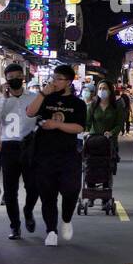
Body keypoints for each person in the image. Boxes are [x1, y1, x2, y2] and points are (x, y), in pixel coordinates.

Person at [26, 64, 87, 246]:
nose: (54, 82)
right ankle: (50, 230)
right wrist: (43, 93)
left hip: (68, 154)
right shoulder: (46, 98)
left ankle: (66, 219)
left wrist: (58, 125)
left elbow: (79, 127)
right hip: (44, 154)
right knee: (48, 195)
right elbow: (30, 112)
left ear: (68, 81)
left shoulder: (78, 104)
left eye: (58, 79)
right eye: (53, 78)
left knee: (71, 190)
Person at [0, 62, 39, 239]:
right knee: (10, 190)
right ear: (6, 80)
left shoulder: (33, 97)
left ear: (23, 78)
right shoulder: (0, 101)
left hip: (30, 147)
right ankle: (15, 226)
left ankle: (28, 211)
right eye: (10, 78)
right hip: (9, 147)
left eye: (17, 77)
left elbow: (41, 119)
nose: (14, 80)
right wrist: (4, 97)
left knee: (33, 186)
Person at [87, 82, 125, 160]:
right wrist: (86, 132)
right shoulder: (93, 105)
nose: (101, 90)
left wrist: (111, 132)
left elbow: (119, 124)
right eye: (100, 88)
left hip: (109, 142)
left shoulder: (116, 106)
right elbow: (87, 122)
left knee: (106, 168)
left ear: (110, 91)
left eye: (104, 88)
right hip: (94, 141)